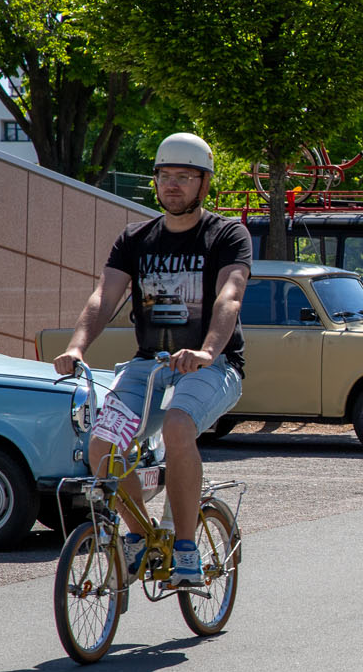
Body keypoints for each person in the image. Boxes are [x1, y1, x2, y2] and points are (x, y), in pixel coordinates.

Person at [54, 132, 249, 589]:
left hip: (212, 368)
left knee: (179, 427)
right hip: (149, 368)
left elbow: (230, 294)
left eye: (185, 177)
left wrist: (206, 351)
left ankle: (185, 549)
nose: (173, 185)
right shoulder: (135, 238)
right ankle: (141, 534)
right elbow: (105, 296)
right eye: (165, 176)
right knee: (101, 447)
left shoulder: (226, 234)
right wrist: (77, 346)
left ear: (204, 184)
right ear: (155, 182)